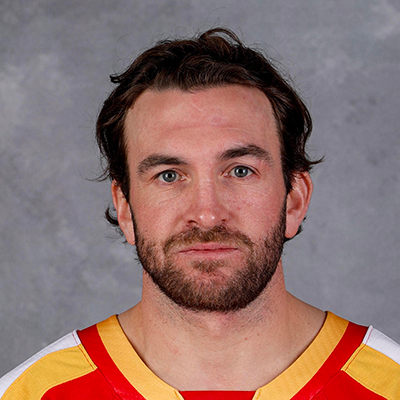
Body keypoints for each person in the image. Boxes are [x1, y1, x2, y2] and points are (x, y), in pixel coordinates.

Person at [1, 27, 399, 400]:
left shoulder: (388, 382)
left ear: (294, 200)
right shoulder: (31, 392)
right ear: (124, 209)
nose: (207, 215)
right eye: (169, 175)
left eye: (240, 171)